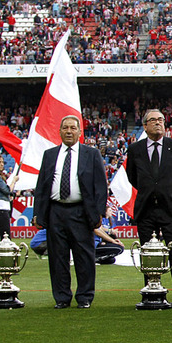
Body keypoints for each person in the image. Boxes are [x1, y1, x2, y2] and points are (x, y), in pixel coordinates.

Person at [32, 116, 108, 309]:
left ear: (80, 132)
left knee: (84, 257)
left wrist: (98, 213)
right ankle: (62, 298)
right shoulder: (49, 155)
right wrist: (38, 214)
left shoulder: (91, 154)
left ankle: (84, 297)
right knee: (58, 258)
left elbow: (100, 186)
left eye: (73, 128)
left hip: (81, 212)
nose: (68, 131)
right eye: (65, 127)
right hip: (55, 212)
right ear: (59, 131)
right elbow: (41, 186)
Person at [126, 109, 172, 307]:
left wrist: (169, 191)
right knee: (148, 253)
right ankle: (151, 292)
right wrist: (151, 191)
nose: (157, 123)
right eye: (153, 120)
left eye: (160, 120)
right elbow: (133, 177)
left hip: (171, 208)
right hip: (146, 208)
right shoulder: (135, 150)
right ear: (145, 126)